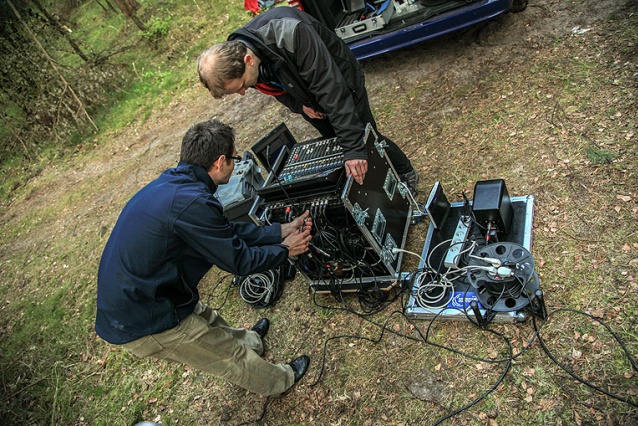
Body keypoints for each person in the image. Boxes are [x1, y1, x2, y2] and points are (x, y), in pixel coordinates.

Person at [95, 119, 312, 397]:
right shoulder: (192, 201)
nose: (235, 165)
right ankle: (281, 380)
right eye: (234, 159)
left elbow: (223, 231)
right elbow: (240, 261)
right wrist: (286, 250)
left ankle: (253, 341)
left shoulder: (178, 184)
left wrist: (278, 231)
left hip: (156, 290)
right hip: (142, 315)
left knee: (206, 317)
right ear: (220, 162)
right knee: (223, 354)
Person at [197, 6, 418, 193]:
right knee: (335, 142)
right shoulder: (242, 53)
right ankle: (376, 186)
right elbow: (275, 87)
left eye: (243, 86)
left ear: (248, 60)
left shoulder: (291, 32)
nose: (244, 92)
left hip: (341, 82)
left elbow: (331, 87)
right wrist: (300, 105)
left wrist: (353, 149)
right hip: (309, 98)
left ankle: (405, 172)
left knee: (365, 138)